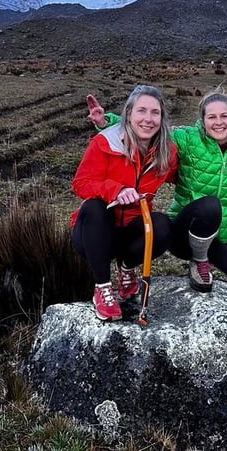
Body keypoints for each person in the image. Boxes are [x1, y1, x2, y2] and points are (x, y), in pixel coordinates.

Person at [87, 88, 227, 313]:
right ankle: (198, 261)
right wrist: (107, 122)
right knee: (210, 205)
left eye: (224, 116)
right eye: (211, 117)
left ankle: (206, 260)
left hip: (222, 236)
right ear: (202, 120)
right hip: (183, 232)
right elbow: (148, 128)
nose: (218, 123)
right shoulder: (187, 139)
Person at [70, 85, 178, 321]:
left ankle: (126, 270)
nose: (148, 119)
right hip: (95, 234)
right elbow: (81, 183)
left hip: (131, 233)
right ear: (128, 114)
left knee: (162, 224)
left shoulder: (166, 151)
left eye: (155, 113)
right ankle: (103, 288)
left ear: (162, 117)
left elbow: (180, 175)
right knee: (94, 208)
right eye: (141, 111)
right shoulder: (105, 142)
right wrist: (115, 190)